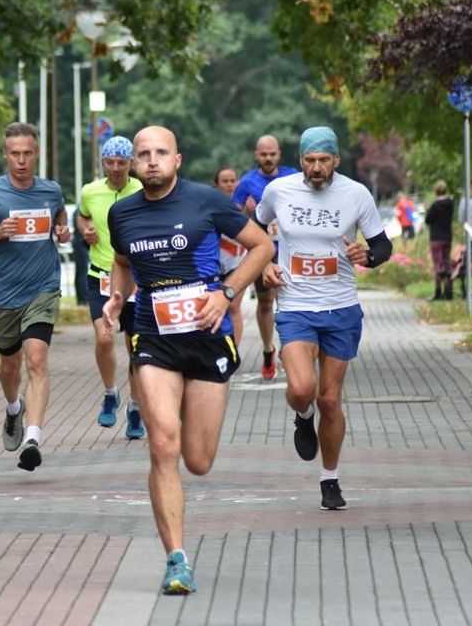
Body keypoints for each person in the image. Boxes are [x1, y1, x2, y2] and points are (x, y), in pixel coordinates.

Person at [103, 126, 274, 594]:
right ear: (134, 165)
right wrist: (118, 299)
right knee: (163, 445)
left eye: (161, 153)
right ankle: (176, 559)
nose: (152, 160)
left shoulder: (206, 201)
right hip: (153, 337)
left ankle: (183, 413)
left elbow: (262, 247)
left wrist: (227, 292)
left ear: (177, 160)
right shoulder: (122, 213)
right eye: (144, 154)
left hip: (205, 337)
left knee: (197, 460)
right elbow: (121, 261)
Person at [257, 127, 391, 511]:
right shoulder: (279, 191)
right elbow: (255, 230)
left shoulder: (355, 194)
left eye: (323, 161)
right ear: (300, 161)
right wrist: (265, 262)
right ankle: (303, 415)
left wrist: (370, 255)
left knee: (330, 400)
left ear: (335, 160)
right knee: (303, 389)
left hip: (341, 307)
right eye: (309, 161)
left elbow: (382, 244)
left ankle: (329, 478)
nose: (316, 168)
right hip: (295, 305)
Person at [0, 122, 69, 473]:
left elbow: (60, 217)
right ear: (5, 155)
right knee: (10, 365)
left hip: (43, 288)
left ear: (36, 153)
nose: (21, 160)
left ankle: (33, 439)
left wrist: (62, 231)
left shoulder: (51, 191)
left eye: (27, 153)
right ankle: (13, 408)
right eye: (15, 154)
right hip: (5, 294)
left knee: (36, 360)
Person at [76, 136, 145, 439]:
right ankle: (110, 393)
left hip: (137, 278)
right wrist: (85, 230)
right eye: (110, 162)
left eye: (121, 162)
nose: (116, 168)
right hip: (100, 276)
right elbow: (83, 215)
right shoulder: (90, 192)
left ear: (132, 163)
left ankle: (135, 408)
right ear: (102, 163)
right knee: (105, 339)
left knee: (136, 347)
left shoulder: (143, 190)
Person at [232, 135, 298, 380]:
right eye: (263, 154)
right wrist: (247, 212)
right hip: (263, 253)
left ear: (279, 154)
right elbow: (233, 218)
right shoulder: (247, 182)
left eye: (272, 154)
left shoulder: (293, 177)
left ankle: (290, 348)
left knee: (292, 302)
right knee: (266, 303)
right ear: (256, 155)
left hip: (292, 251)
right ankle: (269, 349)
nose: (268, 158)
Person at [213, 166, 247, 344]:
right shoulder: (209, 204)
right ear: (217, 184)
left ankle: (234, 349)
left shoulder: (246, 204)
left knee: (233, 306)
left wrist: (250, 211)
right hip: (215, 266)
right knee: (217, 306)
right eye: (224, 181)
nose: (229, 185)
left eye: (232, 181)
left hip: (238, 264)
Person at [423, 180, 455, 301]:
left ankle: (438, 291)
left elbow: (428, 220)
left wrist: (427, 210)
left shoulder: (435, 205)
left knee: (438, 264)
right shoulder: (450, 204)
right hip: (447, 237)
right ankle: (449, 290)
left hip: (436, 237)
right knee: (447, 263)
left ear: (436, 191)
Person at [70, 206, 90, 305]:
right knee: (82, 273)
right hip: (81, 243)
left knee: (81, 272)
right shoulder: (81, 211)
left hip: (79, 242)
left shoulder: (78, 210)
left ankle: (82, 299)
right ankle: (83, 300)